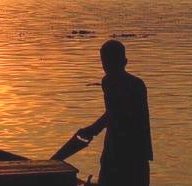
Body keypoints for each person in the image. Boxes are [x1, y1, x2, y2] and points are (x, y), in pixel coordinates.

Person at [59, 40, 153, 185]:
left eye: (111, 63)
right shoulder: (109, 82)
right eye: (105, 63)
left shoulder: (134, 85)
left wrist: (92, 130)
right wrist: (92, 130)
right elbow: (112, 112)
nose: (107, 67)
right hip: (115, 148)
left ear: (124, 62)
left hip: (133, 151)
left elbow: (117, 113)